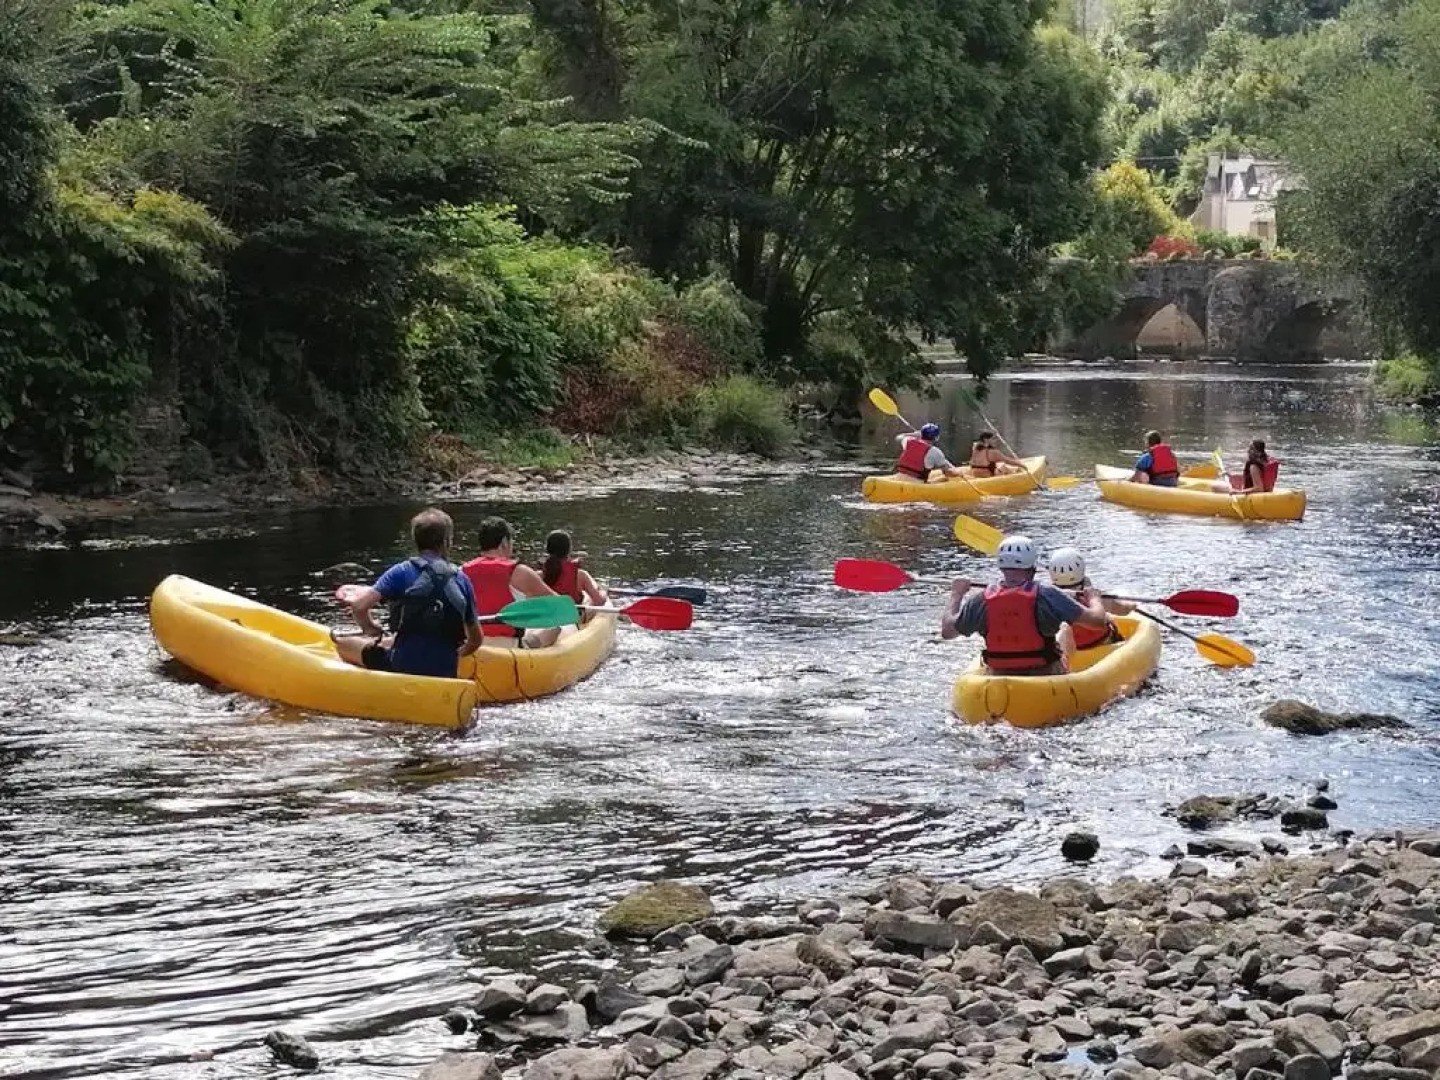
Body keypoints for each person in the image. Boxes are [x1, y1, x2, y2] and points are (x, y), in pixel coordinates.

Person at [334, 507, 483, 678]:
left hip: (400, 666)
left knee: (343, 644)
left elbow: (359, 607)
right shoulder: (462, 579)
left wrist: (370, 628)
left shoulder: (401, 571)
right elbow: (476, 640)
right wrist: (460, 652)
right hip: (445, 671)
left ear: (415, 540)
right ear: (447, 542)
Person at [941, 535, 1109, 676]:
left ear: (1001, 566)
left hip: (999, 677)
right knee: (1065, 629)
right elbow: (1097, 621)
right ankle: (1071, 681)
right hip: (1045, 675)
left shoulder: (980, 600)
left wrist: (957, 594)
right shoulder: (1048, 595)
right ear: (1033, 567)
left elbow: (948, 632)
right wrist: (1094, 598)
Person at [462, 516, 562, 649]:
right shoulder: (518, 572)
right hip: (509, 648)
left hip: (470, 644)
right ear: (504, 542)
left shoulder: (461, 572)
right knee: (555, 627)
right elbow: (559, 605)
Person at [1045, 547, 1135, 657]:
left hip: (1072, 650)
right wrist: (1133, 606)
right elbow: (1123, 610)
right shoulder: (1095, 597)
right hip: (1102, 645)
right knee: (1108, 617)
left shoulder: (1047, 599)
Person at [539, 530, 608, 614]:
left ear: (548, 549)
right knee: (590, 599)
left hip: (547, 617)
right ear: (569, 550)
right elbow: (599, 602)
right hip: (572, 620)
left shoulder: (537, 576)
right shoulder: (581, 575)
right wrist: (603, 592)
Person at [894, 422, 965, 481]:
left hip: (899, 479)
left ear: (921, 434)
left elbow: (899, 437)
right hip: (917, 484)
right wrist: (959, 473)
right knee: (944, 479)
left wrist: (914, 434)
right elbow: (948, 473)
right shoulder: (935, 452)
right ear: (936, 438)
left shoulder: (907, 441)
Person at [1212, 439, 1276, 493]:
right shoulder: (1265, 461)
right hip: (1264, 491)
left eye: (1252, 449)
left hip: (1253, 495)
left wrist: (1239, 492)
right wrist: (1231, 476)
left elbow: (1259, 488)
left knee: (1215, 487)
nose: (1248, 451)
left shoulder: (1254, 467)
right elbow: (1255, 477)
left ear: (1259, 452)